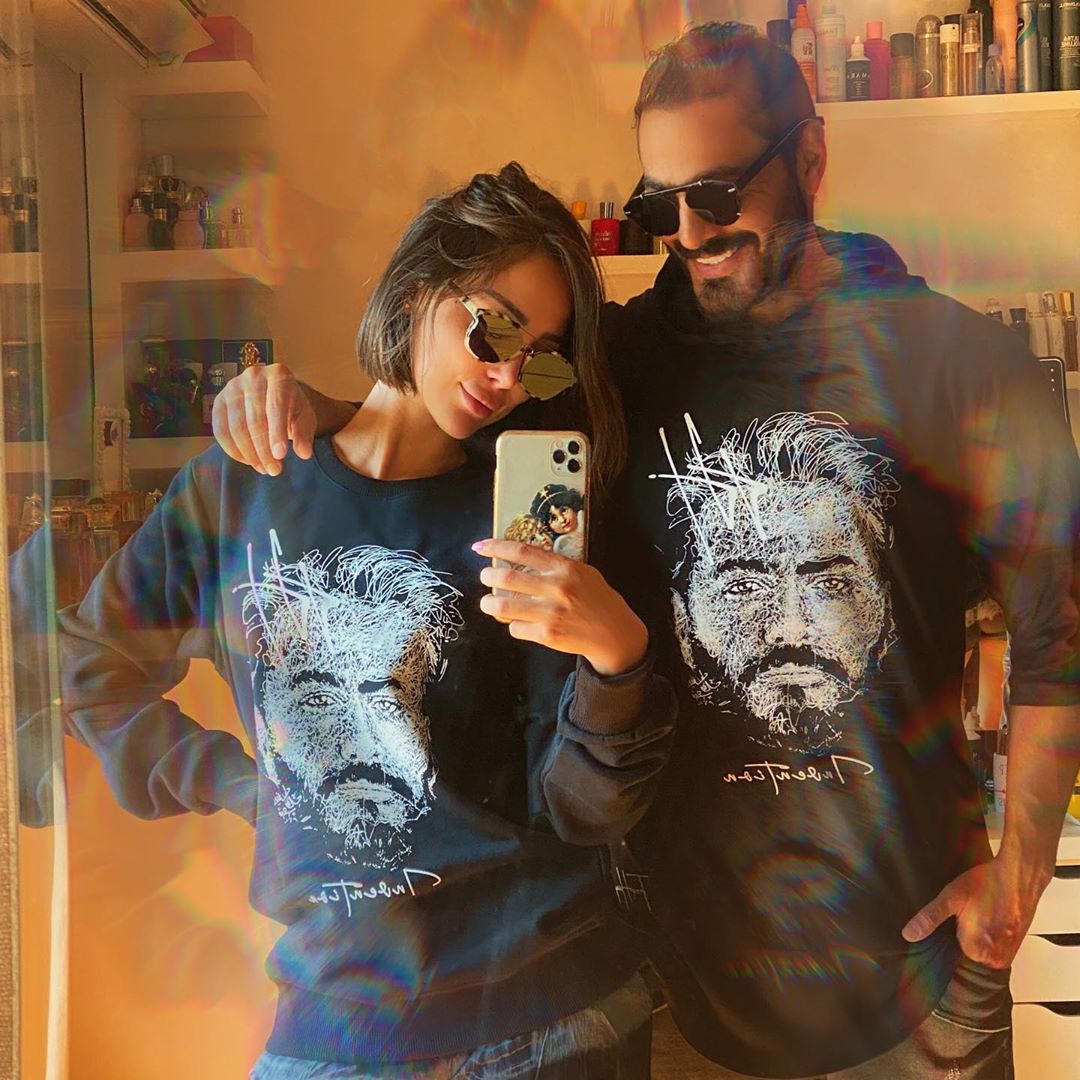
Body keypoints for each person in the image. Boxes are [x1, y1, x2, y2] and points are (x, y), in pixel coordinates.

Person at [212, 23, 1080, 1080]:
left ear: (810, 156)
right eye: (660, 205)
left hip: (916, 983)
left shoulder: (959, 362)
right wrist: (317, 415)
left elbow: (1059, 629)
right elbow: (444, 421)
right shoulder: (614, 369)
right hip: (678, 985)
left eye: (717, 193)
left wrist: (1022, 872)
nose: (690, 233)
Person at [59, 162, 677, 1079]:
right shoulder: (242, 487)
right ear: (419, 286)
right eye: (494, 328)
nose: (507, 374)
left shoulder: (523, 521)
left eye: (541, 358)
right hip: (339, 1020)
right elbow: (91, 668)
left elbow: (577, 807)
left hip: (554, 1010)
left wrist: (616, 670)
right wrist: (244, 785)